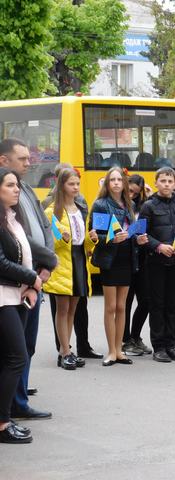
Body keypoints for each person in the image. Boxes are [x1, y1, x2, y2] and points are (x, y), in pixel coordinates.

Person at [0, 139, 56, 421]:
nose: (28, 162)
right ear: (3, 160)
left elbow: (43, 229)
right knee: (14, 352)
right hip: (15, 285)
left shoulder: (28, 190)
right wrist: (36, 274)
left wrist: (47, 264)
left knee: (25, 347)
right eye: (22, 158)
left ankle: (18, 402)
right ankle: (7, 411)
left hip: (31, 282)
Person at [43, 163, 102, 359]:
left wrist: (92, 240)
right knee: (63, 310)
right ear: (61, 185)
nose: (76, 187)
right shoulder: (52, 211)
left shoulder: (79, 208)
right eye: (71, 184)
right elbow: (48, 243)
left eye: (77, 184)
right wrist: (63, 239)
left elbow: (82, 242)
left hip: (79, 261)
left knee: (72, 310)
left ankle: (66, 351)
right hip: (62, 263)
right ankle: (65, 351)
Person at [0, 167, 41, 443]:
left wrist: (31, 285)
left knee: (10, 357)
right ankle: (3, 423)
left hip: (16, 295)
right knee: (17, 357)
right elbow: (2, 263)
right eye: (10, 185)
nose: (17, 189)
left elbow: (25, 254)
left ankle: (4, 418)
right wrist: (32, 278)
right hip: (3, 297)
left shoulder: (11, 218)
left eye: (16, 185)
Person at [90, 167, 148, 366]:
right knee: (111, 307)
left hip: (127, 257)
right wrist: (111, 239)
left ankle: (119, 350)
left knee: (122, 306)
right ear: (107, 183)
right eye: (112, 179)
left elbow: (132, 232)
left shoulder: (130, 204)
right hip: (109, 259)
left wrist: (138, 240)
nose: (116, 183)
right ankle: (111, 351)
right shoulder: (101, 204)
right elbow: (95, 235)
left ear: (124, 183)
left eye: (119, 180)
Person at [139, 167, 175, 362]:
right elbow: (142, 234)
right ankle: (159, 346)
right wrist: (159, 246)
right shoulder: (148, 206)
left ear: (174, 183)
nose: (166, 184)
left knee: (174, 304)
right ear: (156, 183)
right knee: (158, 304)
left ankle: (172, 344)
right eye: (163, 181)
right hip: (156, 262)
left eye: (170, 181)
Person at [122, 174, 152, 355]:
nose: (132, 195)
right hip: (126, 258)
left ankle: (135, 336)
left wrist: (149, 195)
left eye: (136, 192)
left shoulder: (144, 205)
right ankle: (125, 340)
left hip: (143, 257)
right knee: (126, 302)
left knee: (146, 300)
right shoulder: (120, 205)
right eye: (130, 191)